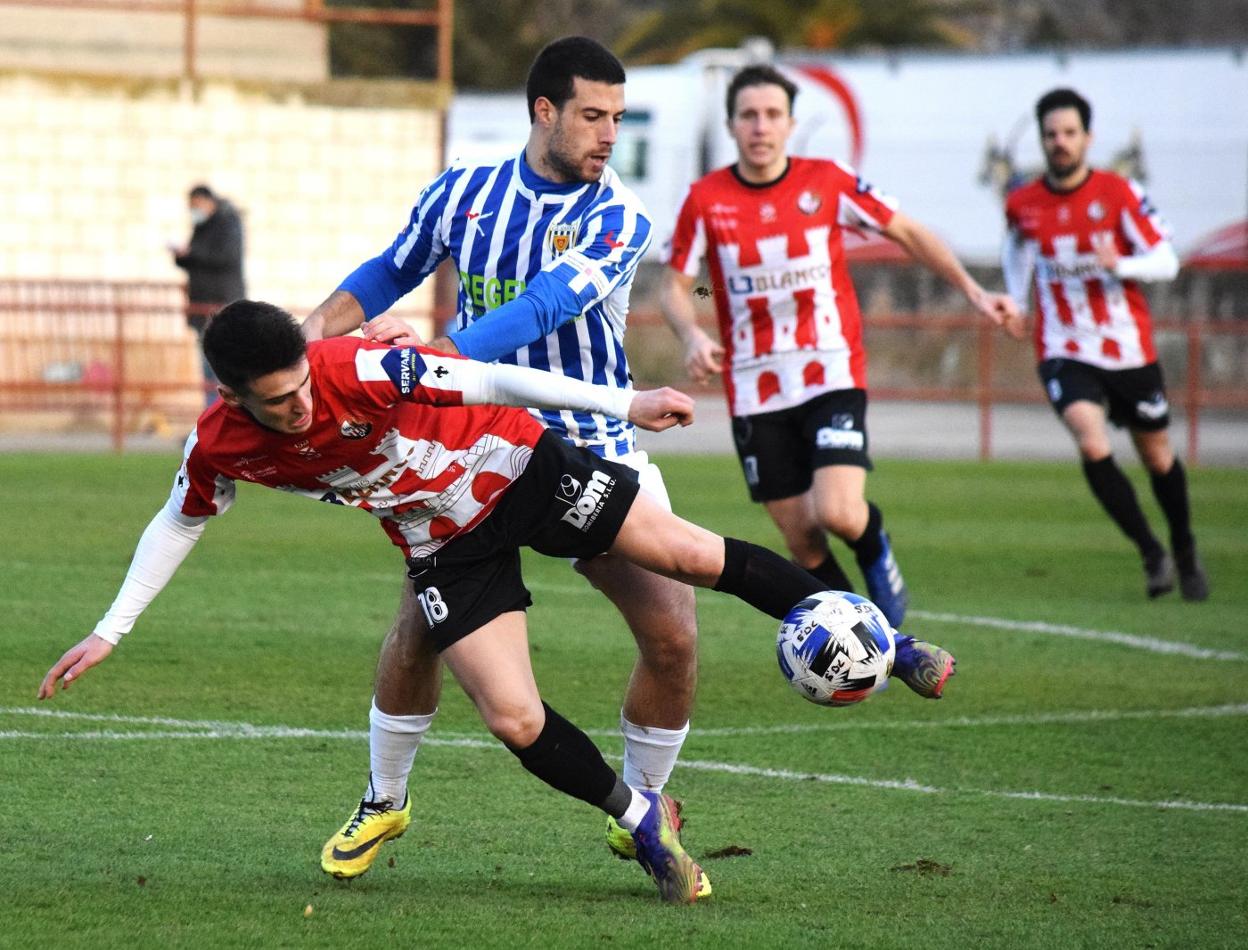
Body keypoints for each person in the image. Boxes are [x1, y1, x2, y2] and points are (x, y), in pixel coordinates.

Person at [36, 301, 955, 904]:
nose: (299, 409)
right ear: (234, 396)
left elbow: (492, 381)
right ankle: (639, 823)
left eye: (301, 388)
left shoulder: (356, 368)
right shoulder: (220, 443)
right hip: (443, 543)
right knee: (513, 717)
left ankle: (896, 644)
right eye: (275, 403)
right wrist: (112, 627)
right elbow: (178, 521)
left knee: (684, 554)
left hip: (515, 465)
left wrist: (624, 402)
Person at [301, 36, 710, 889]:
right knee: (419, 629)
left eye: (618, 118)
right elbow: (388, 271)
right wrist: (304, 343)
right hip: (470, 452)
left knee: (672, 632)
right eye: (593, 116)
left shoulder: (618, 215)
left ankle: (646, 806)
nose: (608, 135)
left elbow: (542, 306)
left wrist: (439, 360)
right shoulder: (464, 192)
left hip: (591, 442)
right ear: (545, 111)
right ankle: (385, 797)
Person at [660, 64, 1022, 631]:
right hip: (756, 388)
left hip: (830, 371)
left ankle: (875, 546)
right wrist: (693, 333)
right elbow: (677, 285)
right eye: (749, 116)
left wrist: (974, 290)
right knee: (803, 540)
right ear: (731, 125)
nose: (761, 126)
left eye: (773, 115)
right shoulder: (706, 200)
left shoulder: (827, 181)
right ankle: (864, 633)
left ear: (791, 123)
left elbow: (906, 230)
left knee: (838, 512)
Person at [1001, 88, 1207, 600]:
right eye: (1051, 134)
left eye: (1070, 133)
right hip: (1063, 347)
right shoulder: (1023, 202)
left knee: (1158, 456)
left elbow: (1167, 260)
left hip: (1127, 349)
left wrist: (1121, 265)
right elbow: (1016, 249)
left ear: (1087, 138)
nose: (1060, 143)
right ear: (1043, 141)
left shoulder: (1119, 193)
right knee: (1091, 440)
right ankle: (1150, 551)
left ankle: (1183, 547)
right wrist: (1015, 299)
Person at [170, 184, 246, 404]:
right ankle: (212, 415)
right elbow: (197, 260)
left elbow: (225, 257)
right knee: (208, 369)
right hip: (202, 309)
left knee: (222, 368)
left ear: (206, 201)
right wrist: (182, 256)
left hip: (221, 307)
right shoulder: (202, 227)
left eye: (195, 206)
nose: (193, 211)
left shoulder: (228, 222)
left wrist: (192, 254)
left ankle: (223, 415)